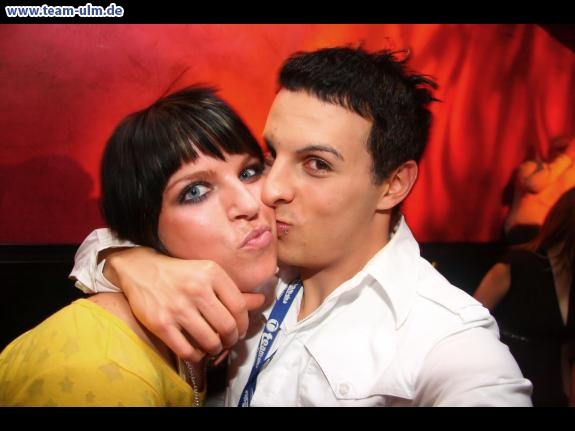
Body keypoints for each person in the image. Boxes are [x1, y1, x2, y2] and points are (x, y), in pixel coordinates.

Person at [71, 46, 532, 406]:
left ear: (393, 185)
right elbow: (100, 244)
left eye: (316, 164)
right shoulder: (259, 262)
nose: (270, 189)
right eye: (271, 156)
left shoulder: (445, 339)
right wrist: (134, 264)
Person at [0, 86, 278, 406]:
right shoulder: (98, 368)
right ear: (144, 229)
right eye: (195, 191)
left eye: (249, 172)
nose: (248, 204)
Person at [475, 187, 575, 406]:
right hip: (502, 387)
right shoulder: (517, 264)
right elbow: (471, 324)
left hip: (549, 394)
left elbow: (566, 352)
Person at [503, 136, 575, 245]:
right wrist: (565, 158)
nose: (563, 154)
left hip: (546, 233)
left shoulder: (568, 177)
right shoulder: (530, 167)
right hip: (521, 228)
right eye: (561, 150)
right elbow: (533, 186)